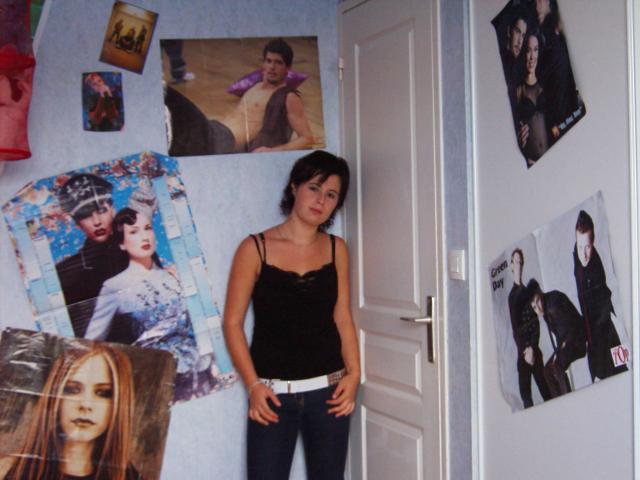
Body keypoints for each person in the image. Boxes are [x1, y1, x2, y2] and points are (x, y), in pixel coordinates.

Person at [223, 150, 360, 479]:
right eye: (314, 188)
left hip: (330, 394)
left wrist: (354, 375)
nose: (321, 200)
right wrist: (253, 385)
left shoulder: (337, 248)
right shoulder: (254, 248)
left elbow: (342, 316)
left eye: (331, 195)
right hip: (272, 397)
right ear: (294, 187)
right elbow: (232, 323)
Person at [84, 203, 218, 403]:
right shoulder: (114, 286)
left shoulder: (174, 276)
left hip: (201, 371)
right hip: (158, 379)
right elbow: (91, 343)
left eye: (147, 228)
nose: (144, 236)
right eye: (134, 232)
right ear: (122, 243)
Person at [0, 345, 141, 479]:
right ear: (55, 396)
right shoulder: (7, 470)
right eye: (72, 390)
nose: (85, 404)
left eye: (103, 393)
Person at [166, 37, 313, 156]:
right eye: (268, 61)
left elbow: (307, 138)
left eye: (278, 63)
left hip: (220, 141)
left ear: (288, 68)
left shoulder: (288, 96)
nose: (272, 67)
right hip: (212, 129)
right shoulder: (256, 86)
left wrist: (273, 151)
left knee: (170, 97)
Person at [55, 174, 129, 338]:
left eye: (101, 210)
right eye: (86, 214)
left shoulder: (137, 252)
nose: (96, 221)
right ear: (77, 223)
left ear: (112, 210)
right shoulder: (65, 274)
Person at [573, 210, 628, 381]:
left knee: (624, 371)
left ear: (593, 242)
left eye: (587, 247)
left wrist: (598, 370)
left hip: (606, 334)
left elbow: (601, 324)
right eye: (580, 246)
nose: (583, 254)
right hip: (593, 336)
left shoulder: (596, 271)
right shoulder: (577, 254)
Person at [528, 279, 586, 398]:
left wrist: (559, 351)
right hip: (567, 342)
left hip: (577, 340)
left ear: (540, 291)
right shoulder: (546, 309)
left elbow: (570, 327)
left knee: (557, 365)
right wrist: (558, 351)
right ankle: (559, 400)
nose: (538, 309)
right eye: (534, 307)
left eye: (537, 301)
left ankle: (568, 399)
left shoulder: (553, 302)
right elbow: (559, 334)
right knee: (546, 371)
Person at [507, 249, 550, 408]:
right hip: (523, 353)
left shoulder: (528, 292)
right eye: (515, 262)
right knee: (526, 396)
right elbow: (515, 329)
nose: (518, 265)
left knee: (547, 391)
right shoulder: (512, 297)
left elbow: (535, 323)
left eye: (520, 262)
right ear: (511, 266)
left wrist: (532, 347)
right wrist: (526, 350)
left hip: (534, 349)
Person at [535, 0, 582, 141]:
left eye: (539, 1)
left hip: (563, 117)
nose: (536, 5)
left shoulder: (554, 42)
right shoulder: (548, 37)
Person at [516, 32, 549, 166]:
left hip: (552, 155)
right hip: (532, 163)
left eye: (535, 50)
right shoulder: (519, 90)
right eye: (528, 50)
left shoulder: (544, 85)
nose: (532, 57)